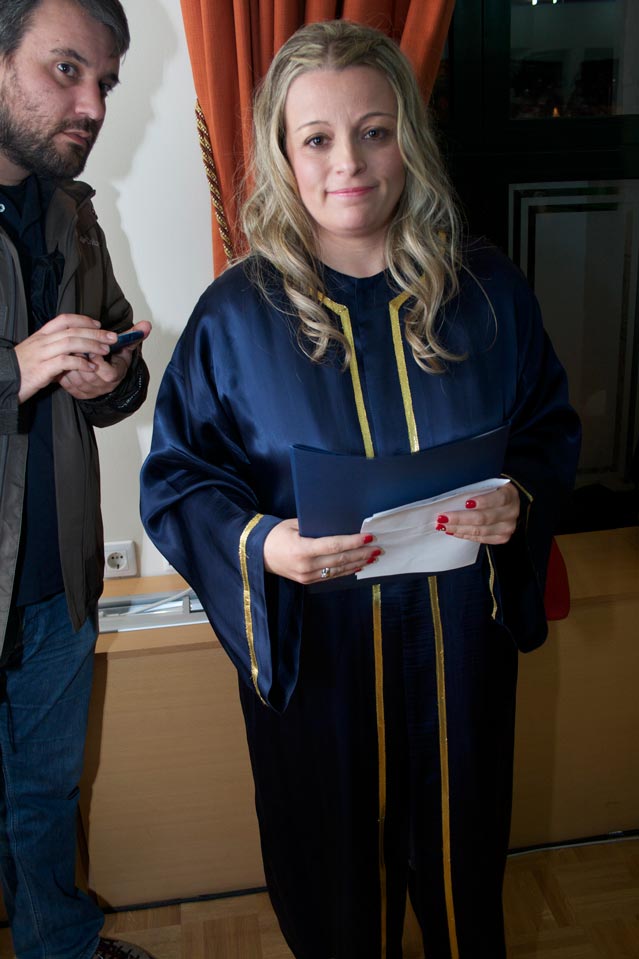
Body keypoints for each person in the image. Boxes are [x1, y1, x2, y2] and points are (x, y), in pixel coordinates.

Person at [141, 20, 580, 959]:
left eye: (373, 131)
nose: (348, 162)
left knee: (464, 882)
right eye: (317, 138)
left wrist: (519, 498)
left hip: (460, 663)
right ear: (283, 153)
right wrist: (263, 543)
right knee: (334, 895)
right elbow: (178, 480)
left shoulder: (486, 291)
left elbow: (546, 429)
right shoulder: (235, 318)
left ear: (406, 139)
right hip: (322, 666)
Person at [0, 1, 155, 957]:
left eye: (105, 82)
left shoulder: (74, 211)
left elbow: (116, 360)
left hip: (56, 584)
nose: (92, 104)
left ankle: (61, 946)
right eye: (67, 70)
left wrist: (112, 378)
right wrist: (13, 370)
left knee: (46, 797)